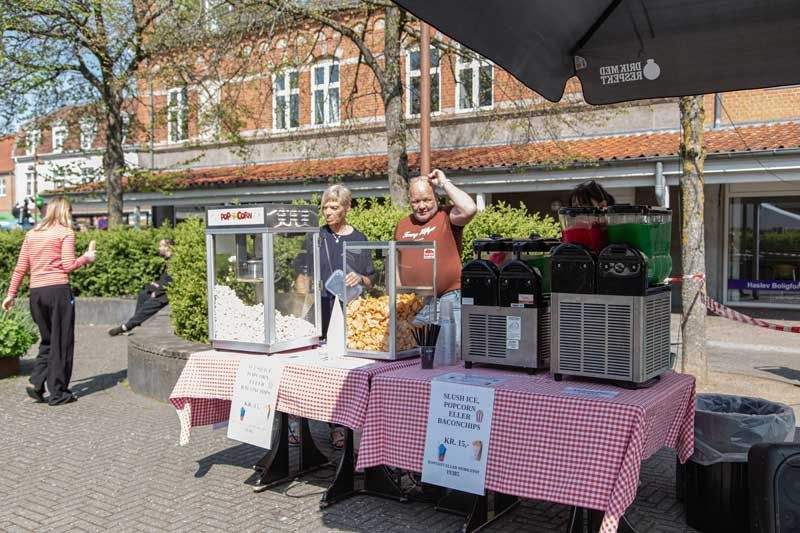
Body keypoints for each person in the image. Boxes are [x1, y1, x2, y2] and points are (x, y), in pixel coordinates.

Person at [297, 184, 374, 450]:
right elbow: (302, 271)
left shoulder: (360, 239)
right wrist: (302, 288)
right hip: (321, 310)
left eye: (334, 207)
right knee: (319, 368)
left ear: (347, 208)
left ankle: (346, 425)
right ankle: (325, 425)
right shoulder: (316, 236)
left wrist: (360, 278)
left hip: (350, 313)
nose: (328, 213)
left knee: (345, 370)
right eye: (325, 207)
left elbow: (372, 279)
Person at [2, 197, 97, 406]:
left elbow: (20, 267)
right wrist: (87, 258)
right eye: (70, 211)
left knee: (48, 340)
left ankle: (37, 382)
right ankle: (59, 393)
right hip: (58, 292)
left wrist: (11, 294)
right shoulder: (65, 233)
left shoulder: (32, 234)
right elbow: (68, 265)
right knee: (61, 342)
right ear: (65, 211)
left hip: (36, 294)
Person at [395, 168, 478, 357]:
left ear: (437, 199)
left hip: (449, 300)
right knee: (413, 355)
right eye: (416, 201)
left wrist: (444, 183)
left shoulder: (447, 216)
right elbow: (398, 261)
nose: (421, 206)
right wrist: (398, 297)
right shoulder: (403, 224)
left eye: (427, 200)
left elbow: (470, 209)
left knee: (451, 355)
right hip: (416, 303)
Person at [108, 239, 173, 336]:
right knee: (143, 295)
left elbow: (170, 282)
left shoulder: (173, 262)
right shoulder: (168, 260)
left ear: (168, 247)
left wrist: (157, 291)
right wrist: (155, 285)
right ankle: (135, 322)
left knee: (150, 303)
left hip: (166, 294)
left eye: (161, 246)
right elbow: (165, 280)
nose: (159, 248)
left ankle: (126, 327)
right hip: (162, 289)